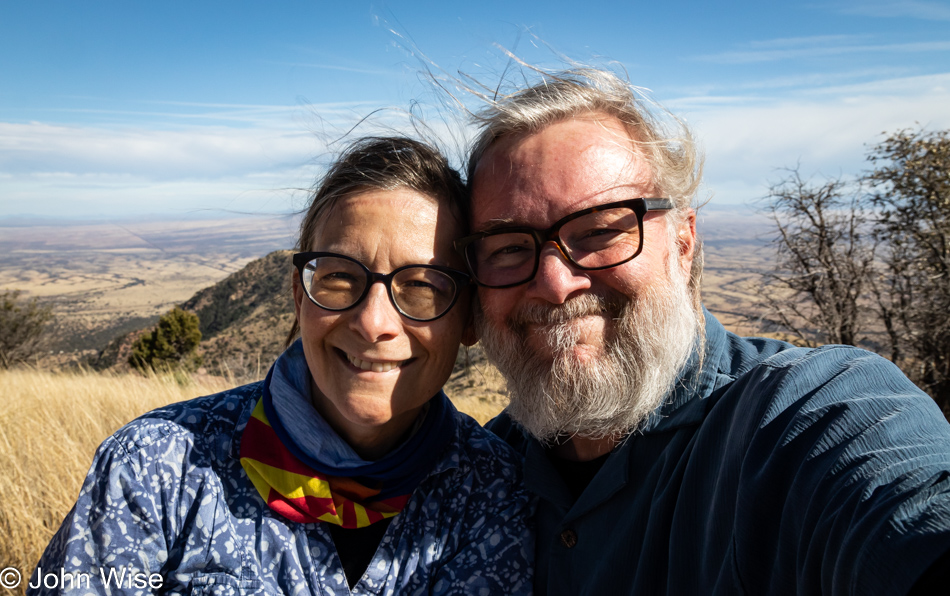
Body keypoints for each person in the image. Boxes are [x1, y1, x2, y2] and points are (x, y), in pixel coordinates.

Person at [452, 67, 950, 595]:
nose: (554, 284)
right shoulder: (482, 469)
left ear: (683, 243)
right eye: (508, 247)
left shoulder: (797, 419)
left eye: (600, 231)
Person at [30, 137, 533, 595]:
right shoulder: (157, 467)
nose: (373, 322)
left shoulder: (496, 491)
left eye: (422, 286)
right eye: (339, 278)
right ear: (300, 296)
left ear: (470, 318)